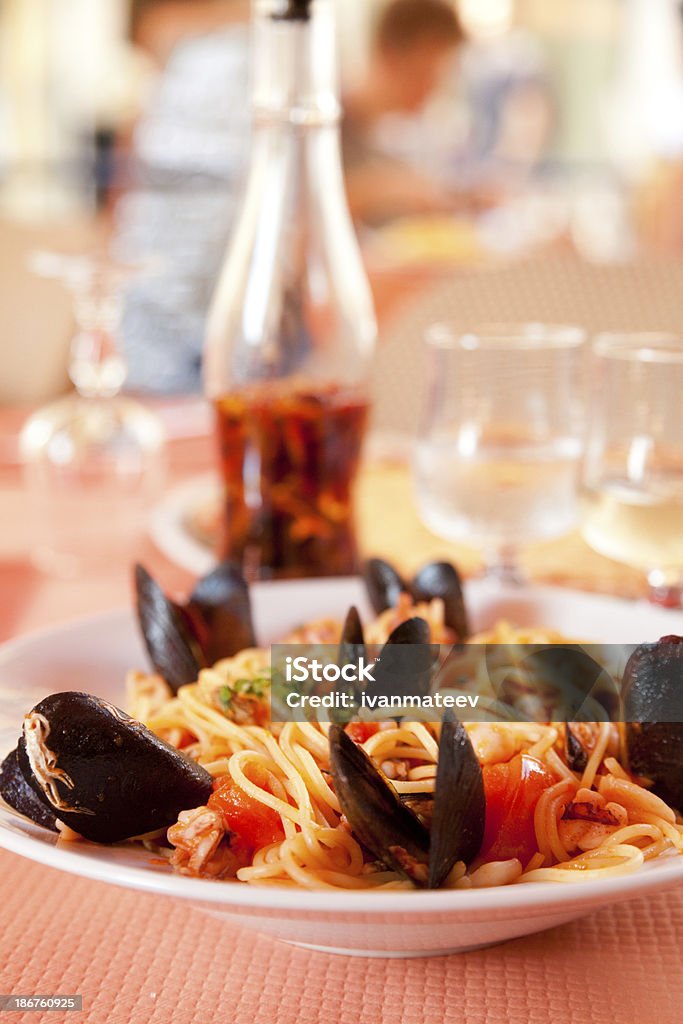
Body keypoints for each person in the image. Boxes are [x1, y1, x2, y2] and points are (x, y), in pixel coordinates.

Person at [343, 0, 466, 223]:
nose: (435, 87)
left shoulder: (376, 137)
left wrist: (464, 197)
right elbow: (301, 215)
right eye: (428, 71)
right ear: (391, 55)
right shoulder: (327, 127)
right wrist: (380, 190)